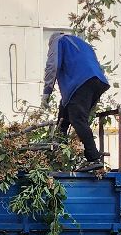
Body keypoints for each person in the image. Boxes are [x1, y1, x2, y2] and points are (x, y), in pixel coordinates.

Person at [42, 32, 110, 168]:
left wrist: (46, 92)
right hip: (97, 82)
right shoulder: (82, 44)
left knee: (78, 119)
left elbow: (52, 66)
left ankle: (94, 159)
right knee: (64, 115)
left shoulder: (58, 41)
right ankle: (58, 152)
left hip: (81, 82)